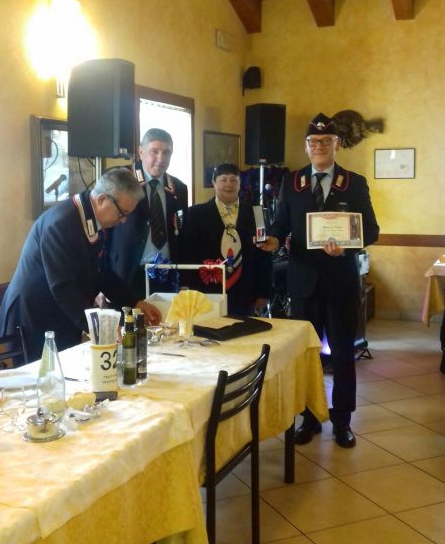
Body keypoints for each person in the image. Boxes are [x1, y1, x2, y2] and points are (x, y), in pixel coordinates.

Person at [259, 113, 379, 448]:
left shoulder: (353, 182)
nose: (319, 147)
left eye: (326, 141)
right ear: (306, 146)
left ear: (337, 145)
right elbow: (280, 225)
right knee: (306, 356)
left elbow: (371, 230)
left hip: (341, 283)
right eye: (314, 142)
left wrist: (347, 247)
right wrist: (272, 241)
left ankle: (342, 422)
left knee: (342, 355)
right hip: (303, 284)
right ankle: (309, 418)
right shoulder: (292, 182)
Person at [0, 167, 161, 361]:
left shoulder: (94, 219)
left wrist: (135, 302)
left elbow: (102, 273)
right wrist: (98, 326)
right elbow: (63, 286)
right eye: (122, 214)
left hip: (62, 314)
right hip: (34, 317)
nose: (124, 221)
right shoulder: (61, 223)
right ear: (102, 199)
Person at [183, 163, 272, 316]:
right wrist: (187, 286)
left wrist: (263, 293)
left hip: (246, 292)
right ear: (214, 182)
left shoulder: (256, 213)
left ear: (240, 183)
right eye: (223, 180)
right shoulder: (195, 214)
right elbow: (188, 253)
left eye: (233, 180)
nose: (229, 185)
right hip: (207, 291)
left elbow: (263, 254)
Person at [109, 128, 188, 298]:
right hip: (126, 273)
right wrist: (101, 283)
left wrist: (185, 279)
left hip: (167, 274)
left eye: (166, 153)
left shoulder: (179, 188)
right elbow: (104, 230)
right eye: (154, 151)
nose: (161, 159)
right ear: (141, 151)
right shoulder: (119, 179)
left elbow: (182, 235)